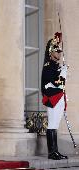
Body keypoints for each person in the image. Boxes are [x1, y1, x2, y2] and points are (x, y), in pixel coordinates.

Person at [41, 32, 68, 160]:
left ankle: (55, 151)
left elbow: (61, 85)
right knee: (52, 124)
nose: (59, 54)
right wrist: (62, 73)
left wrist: (62, 71)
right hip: (53, 99)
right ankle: (52, 152)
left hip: (58, 98)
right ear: (51, 52)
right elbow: (56, 83)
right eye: (57, 51)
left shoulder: (55, 67)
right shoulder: (48, 67)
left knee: (55, 125)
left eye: (59, 52)